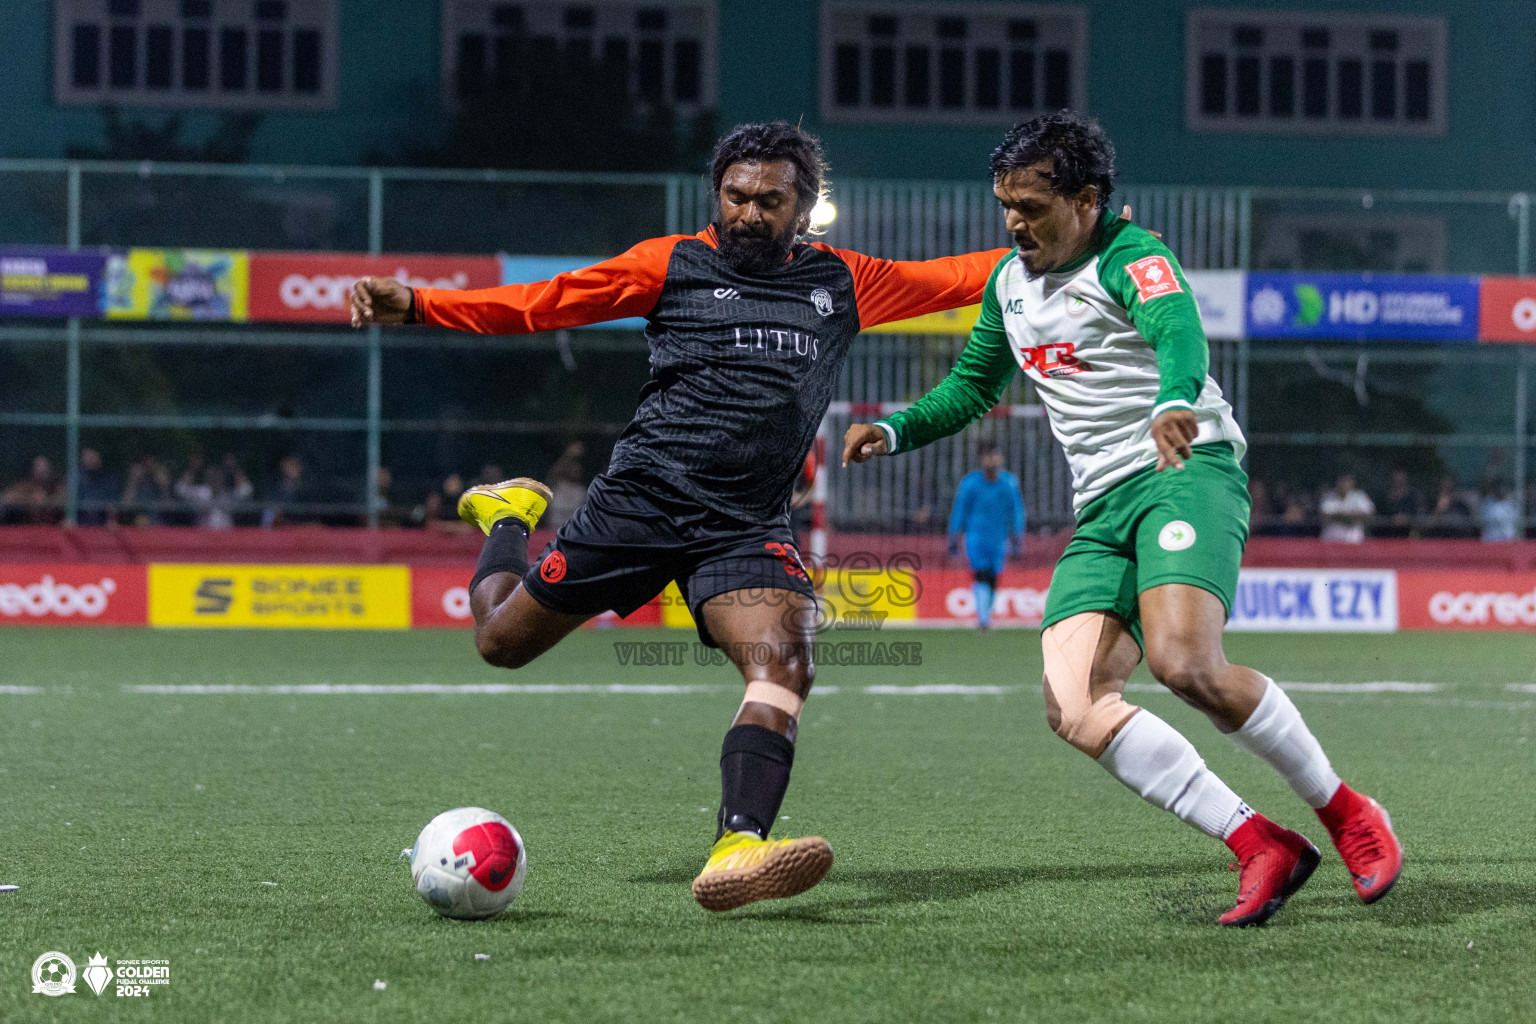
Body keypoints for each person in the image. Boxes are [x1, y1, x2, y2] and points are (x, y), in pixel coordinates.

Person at [351, 120, 1007, 912]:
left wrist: (1096, 246)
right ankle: (508, 516)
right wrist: (420, 305)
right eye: (735, 196)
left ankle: (739, 846)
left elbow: (972, 275)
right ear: (716, 195)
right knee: (500, 642)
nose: (749, 213)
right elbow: (540, 304)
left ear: (806, 207)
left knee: (786, 663)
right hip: (640, 504)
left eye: (771, 200)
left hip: (744, 523)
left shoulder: (846, 281)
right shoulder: (670, 263)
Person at [844, 111, 1400, 927]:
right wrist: (894, 428)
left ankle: (1347, 811)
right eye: (1005, 203)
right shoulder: (1008, 283)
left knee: (1186, 666)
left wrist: (1175, 402)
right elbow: (972, 385)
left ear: (1088, 200)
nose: (1012, 222)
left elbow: (1179, 335)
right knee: (1073, 703)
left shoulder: (1135, 256)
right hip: (1102, 508)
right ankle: (1258, 844)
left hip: (1185, 473)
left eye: (1030, 205)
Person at [947, 442, 1025, 632]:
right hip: (976, 537)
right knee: (980, 573)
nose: (992, 460)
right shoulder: (970, 483)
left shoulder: (1008, 482)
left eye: (995, 456)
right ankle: (983, 619)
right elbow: (960, 510)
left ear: (1001, 459)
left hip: (998, 538)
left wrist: (1018, 535)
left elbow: (1016, 511)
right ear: (982, 459)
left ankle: (985, 614)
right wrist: (954, 535)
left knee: (993, 577)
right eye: (988, 456)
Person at [1, 455, 64, 525]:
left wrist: (46, 501)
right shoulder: (26, 486)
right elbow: (7, 498)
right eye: (39, 467)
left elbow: (65, 500)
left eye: (44, 468)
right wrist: (31, 499)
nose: (42, 471)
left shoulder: (55, 487)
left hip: (52, 527)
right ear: (33, 470)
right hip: (29, 527)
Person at [544, 442, 588, 530]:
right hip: (554, 527)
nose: (575, 469)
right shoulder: (557, 486)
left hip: (574, 529)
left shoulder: (581, 491)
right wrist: (568, 455)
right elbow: (552, 475)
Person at [1319, 474, 1374, 543]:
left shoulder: (1359, 496)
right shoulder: (1328, 496)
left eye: (1347, 482)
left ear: (1352, 484)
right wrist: (1349, 517)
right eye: (1342, 482)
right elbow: (1325, 514)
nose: (1344, 484)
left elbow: (1369, 514)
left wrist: (1340, 516)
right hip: (1332, 537)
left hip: (1353, 538)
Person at [122, 456, 172, 526]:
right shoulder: (137, 483)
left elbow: (168, 507)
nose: (149, 467)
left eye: (152, 463)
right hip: (135, 519)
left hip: (156, 521)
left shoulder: (158, 483)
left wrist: (164, 487)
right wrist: (132, 481)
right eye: (145, 464)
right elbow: (125, 505)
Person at [76, 448, 119, 526]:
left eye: (92, 455)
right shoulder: (75, 479)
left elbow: (112, 505)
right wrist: (69, 519)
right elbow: (67, 502)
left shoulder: (108, 480)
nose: (89, 459)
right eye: (86, 455)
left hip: (102, 527)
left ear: (99, 457)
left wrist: (111, 520)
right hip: (80, 526)